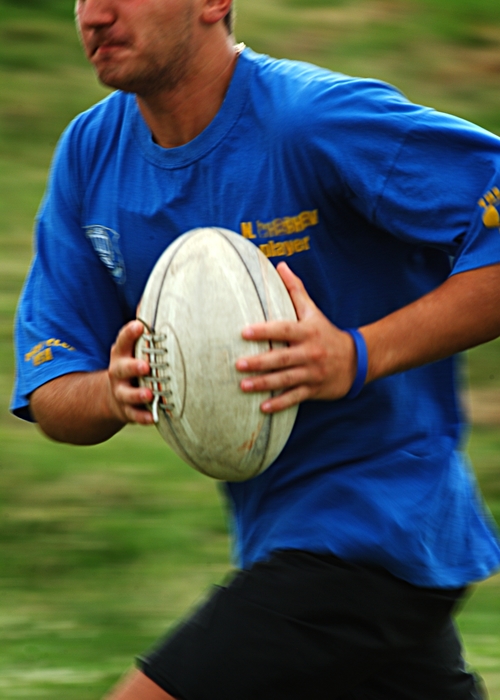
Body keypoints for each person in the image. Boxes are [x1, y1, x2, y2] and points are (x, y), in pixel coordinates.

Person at [11, 0, 500, 697]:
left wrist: (355, 354)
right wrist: (113, 389)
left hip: (375, 528)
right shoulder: (91, 157)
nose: (94, 14)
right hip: (296, 541)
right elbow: (52, 386)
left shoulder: (313, 121)